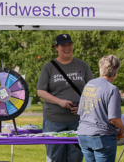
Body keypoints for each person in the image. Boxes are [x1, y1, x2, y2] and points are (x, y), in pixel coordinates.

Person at [37, 34, 94, 162]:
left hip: (78, 120)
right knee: (54, 158)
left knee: (76, 157)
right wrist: (60, 102)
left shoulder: (82, 65)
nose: (67, 48)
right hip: (54, 120)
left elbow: (92, 91)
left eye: (69, 45)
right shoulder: (49, 67)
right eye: (63, 45)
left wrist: (83, 106)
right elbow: (41, 92)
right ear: (56, 47)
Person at [77, 55, 124, 162]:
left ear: (100, 69)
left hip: (83, 134)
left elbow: (81, 110)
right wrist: (122, 127)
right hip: (102, 135)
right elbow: (114, 119)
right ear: (115, 73)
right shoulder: (112, 89)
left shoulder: (89, 84)